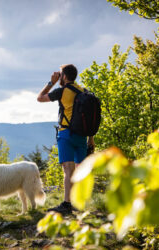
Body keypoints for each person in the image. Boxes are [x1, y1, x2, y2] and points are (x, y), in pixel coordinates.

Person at [37, 64, 95, 215]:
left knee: (68, 170)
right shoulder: (84, 91)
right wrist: (91, 138)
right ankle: (78, 202)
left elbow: (40, 98)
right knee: (79, 170)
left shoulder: (62, 91)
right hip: (82, 136)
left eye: (60, 75)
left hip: (66, 134)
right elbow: (88, 117)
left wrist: (51, 82)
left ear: (63, 76)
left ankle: (66, 204)